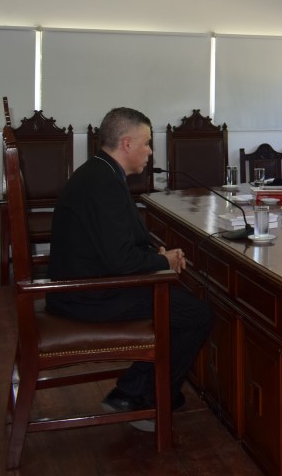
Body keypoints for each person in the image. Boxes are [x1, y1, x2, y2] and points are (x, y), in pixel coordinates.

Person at [45, 107, 213, 430]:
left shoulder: (100, 172)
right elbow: (120, 260)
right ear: (126, 144)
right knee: (197, 315)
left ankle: (134, 391)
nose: (150, 152)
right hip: (88, 295)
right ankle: (145, 397)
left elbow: (118, 242)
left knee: (177, 301)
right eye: (146, 143)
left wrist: (156, 256)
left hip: (92, 284)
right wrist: (163, 261)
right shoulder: (103, 183)